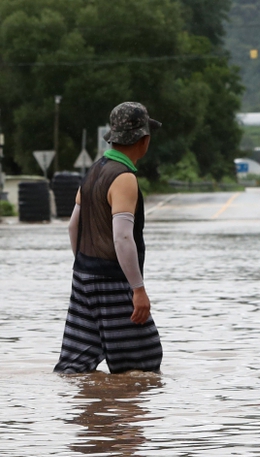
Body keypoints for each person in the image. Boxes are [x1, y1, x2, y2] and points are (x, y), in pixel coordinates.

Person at [54, 102, 163, 374]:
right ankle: (121, 416)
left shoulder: (94, 171)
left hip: (83, 277)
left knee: (75, 365)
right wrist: (137, 289)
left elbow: (72, 227)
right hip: (113, 282)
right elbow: (123, 237)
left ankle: (88, 413)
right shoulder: (124, 178)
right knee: (142, 363)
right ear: (144, 139)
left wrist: (86, 268)